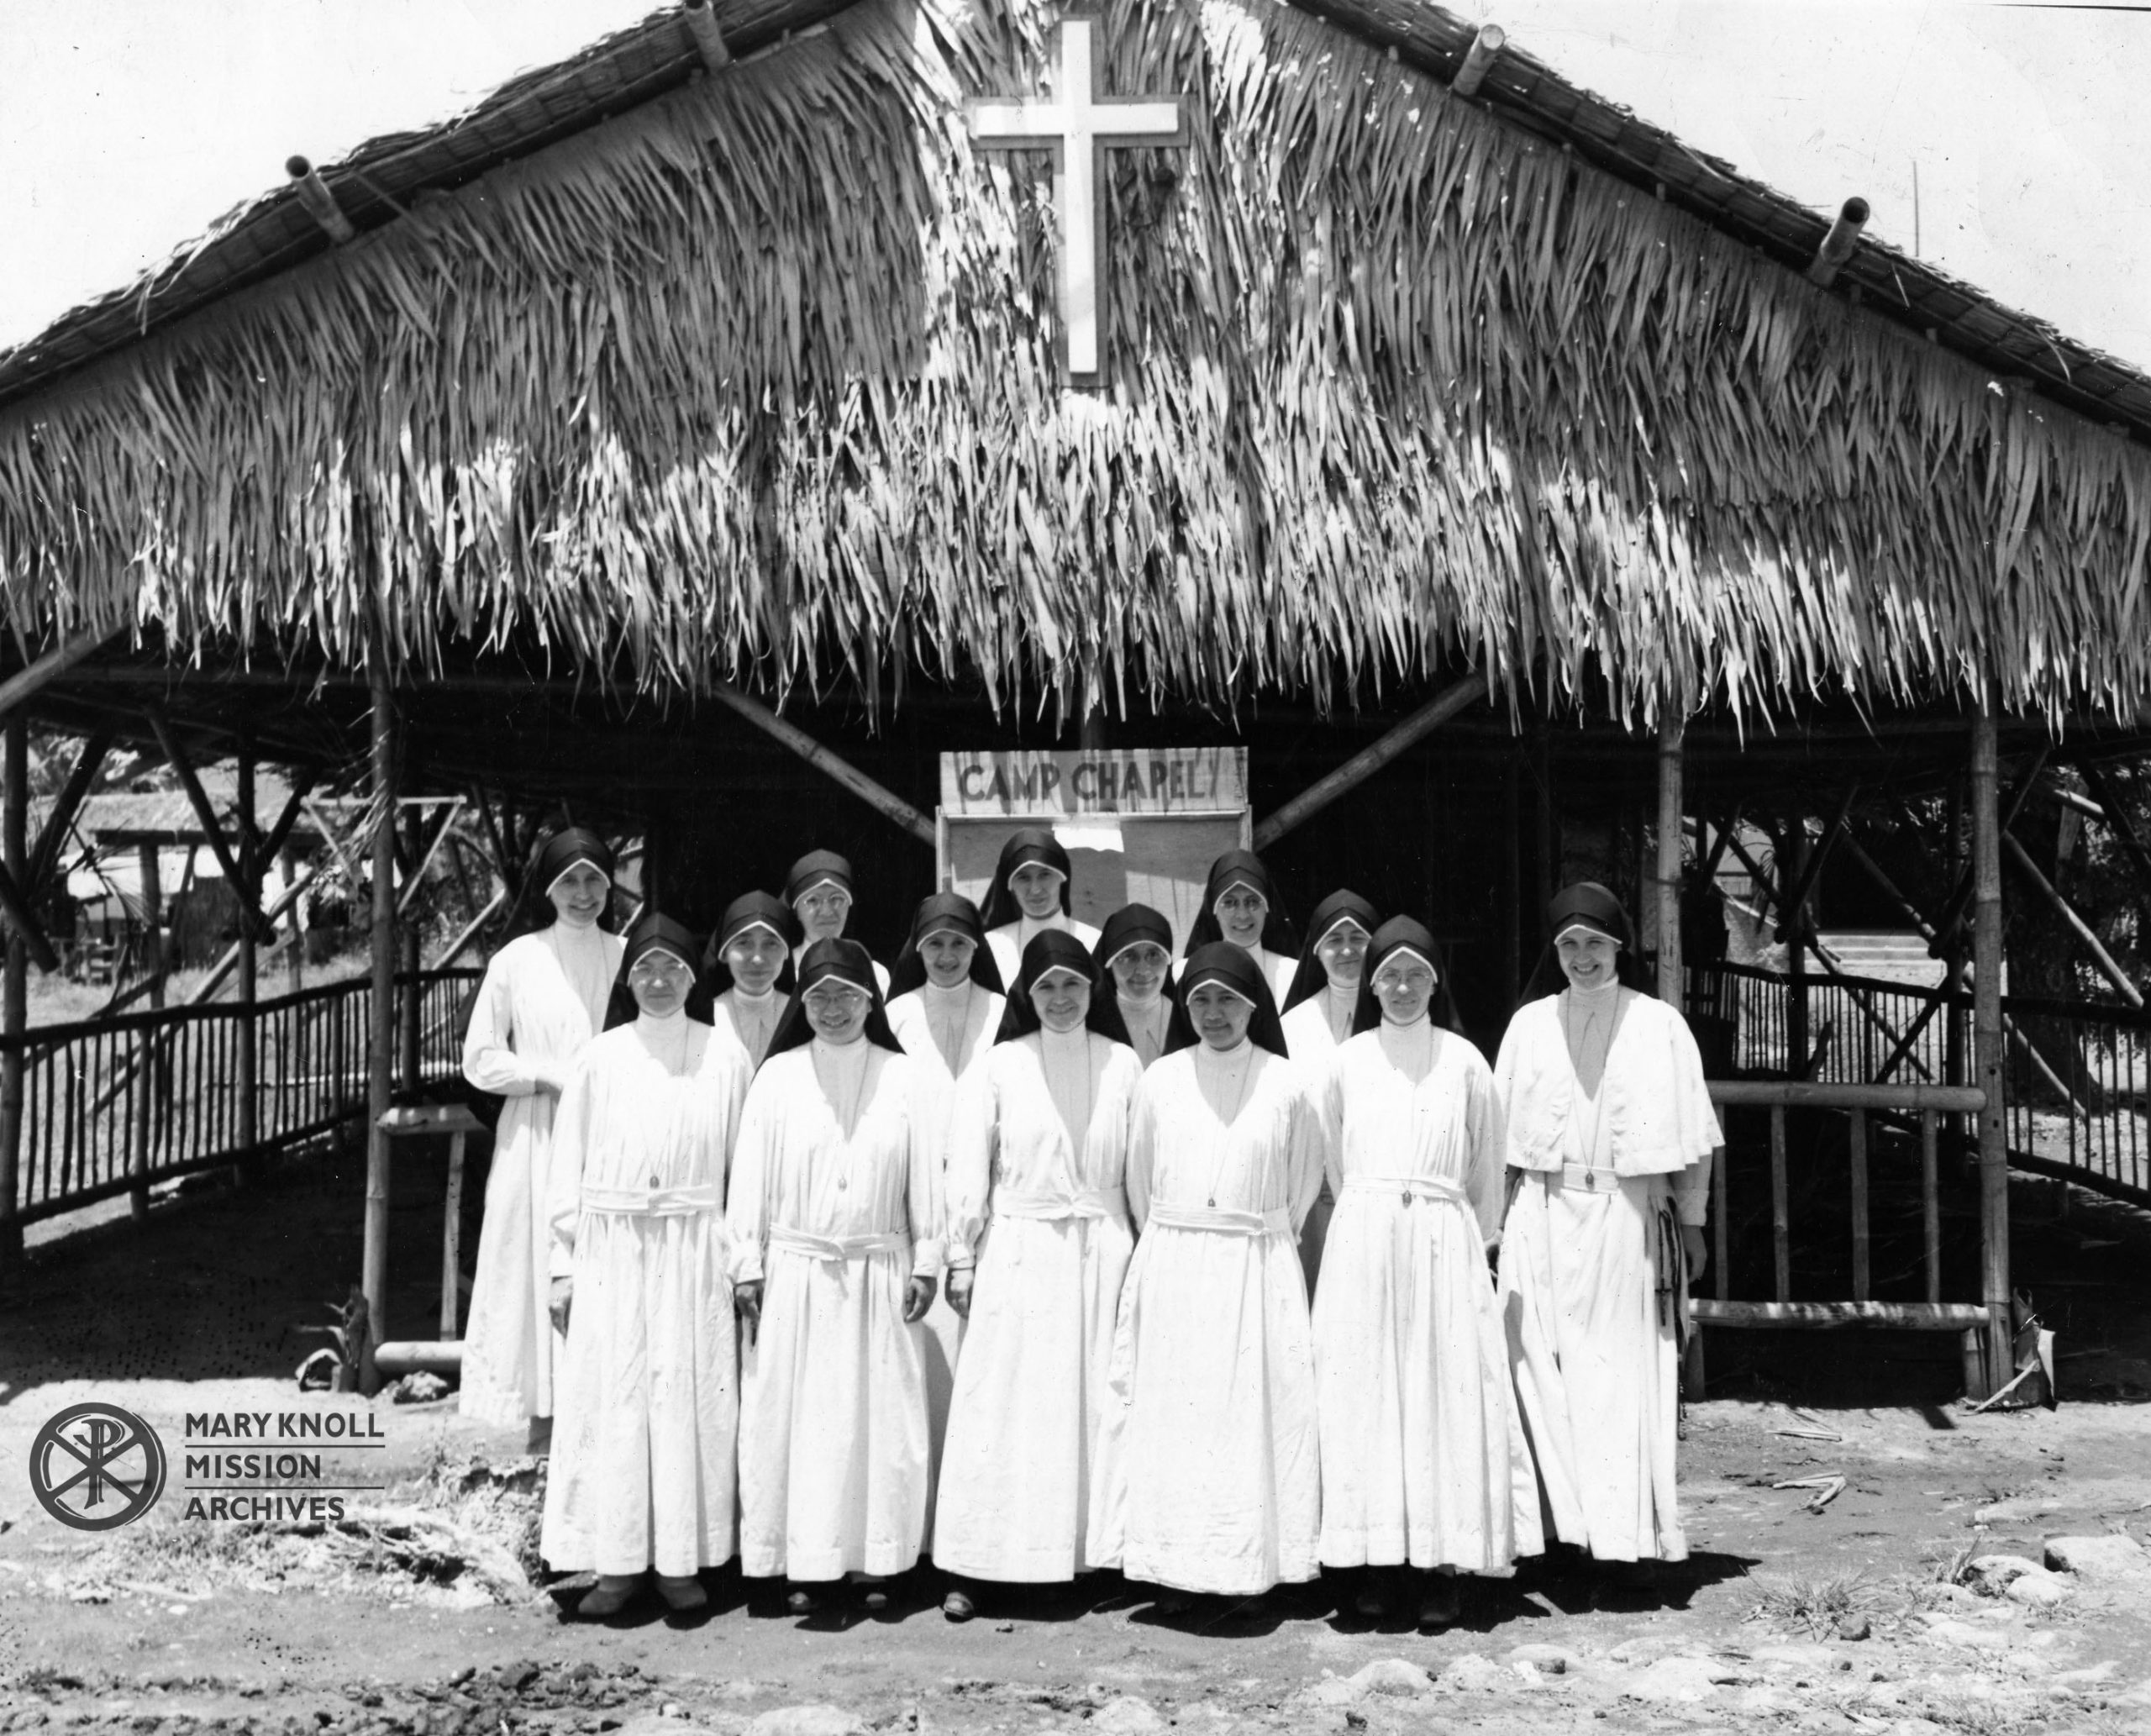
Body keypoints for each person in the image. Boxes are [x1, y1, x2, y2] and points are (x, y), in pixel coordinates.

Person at [1312, 917, 1540, 1629]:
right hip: (1366, 1242)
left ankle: (1443, 1568)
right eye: (1389, 976)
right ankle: (1378, 1567)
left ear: (1436, 982)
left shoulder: (1466, 1061)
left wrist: (1463, 1234)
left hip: (1444, 1240)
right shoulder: (1346, 1061)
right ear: (1370, 984)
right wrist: (1376, 1213)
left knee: (1440, 1399)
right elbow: (1330, 1161)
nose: (1402, 988)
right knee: (1371, 1398)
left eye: (1416, 975)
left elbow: (1484, 1169)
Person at [1495, 883, 1719, 1576]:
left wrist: (1691, 1222)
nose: (1582, 958)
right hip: (1540, 1210)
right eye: (1569, 944)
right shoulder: (1530, 1024)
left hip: (1627, 1217)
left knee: (1620, 1378)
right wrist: (1497, 1226)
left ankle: (1625, 1545)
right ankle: (1560, 1539)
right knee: (1540, 1369)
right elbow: (1497, 1139)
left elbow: (1695, 1138)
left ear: (1620, 948)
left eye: (1595, 944)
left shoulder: (1659, 1025)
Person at [1091, 944, 1323, 1608]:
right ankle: (1174, 1570)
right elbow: (1139, 1182)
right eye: (1200, 1000)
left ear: (1254, 1005)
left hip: (1254, 1264)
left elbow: (1302, 1184)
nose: (1214, 1014)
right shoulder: (1158, 1078)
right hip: (1177, 1264)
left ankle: (1246, 1570)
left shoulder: (1286, 1083)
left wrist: (1254, 1236)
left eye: (1228, 1000)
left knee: (1249, 1421)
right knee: (1177, 1420)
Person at [539, 914, 751, 1617]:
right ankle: (616, 1566)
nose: (659, 982)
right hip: (614, 1250)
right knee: (619, 1400)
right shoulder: (599, 1057)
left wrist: (741, 1258)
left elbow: (743, 1173)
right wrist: (562, 1264)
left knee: (687, 1397)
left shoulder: (725, 1055)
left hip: (694, 1247)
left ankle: (681, 1563)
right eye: (646, 970)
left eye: (674, 970)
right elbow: (565, 1167)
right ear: (628, 981)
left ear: (695, 979)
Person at [934, 932, 1143, 1619]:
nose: (1060, 1000)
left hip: (1102, 1249)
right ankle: (983, 1567)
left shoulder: (1124, 1063)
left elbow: (1139, 1170)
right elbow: (966, 1166)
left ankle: (1088, 1560)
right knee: (1008, 1407)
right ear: (1026, 993)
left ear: (1094, 992)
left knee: (1093, 1405)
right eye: (1047, 986)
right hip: (1019, 1253)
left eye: (1074, 986)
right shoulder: (996, 1066)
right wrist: (960, 1254)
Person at [728, 939, 940, 1612]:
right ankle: (805, 1565)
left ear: (871, 1002)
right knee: (800, 1420)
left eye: (847, 995)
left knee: (877, 1421)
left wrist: (929, 1258)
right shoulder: (778, 1077)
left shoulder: (904, 1078)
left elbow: (924, 1179)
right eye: (817, 995)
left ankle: (875, 1566)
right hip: (798, 1273)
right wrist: (745, 1266)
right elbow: (750, 1182)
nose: (832, 1009)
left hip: (880, 1269)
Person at [460, 827, 625, 1439]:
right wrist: (546, 1077)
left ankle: (600, 1427)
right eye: (570, 882)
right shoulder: (516, 960)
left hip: (611, 1130)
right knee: (533, 1265)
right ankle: (540, 1424)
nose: (583, 894)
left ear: (609, 888)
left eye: (595, 881)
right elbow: (479, 1059)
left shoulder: (630, 954)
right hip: (536, 1132)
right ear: (549, 890)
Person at [881, 892, 1007, 1530]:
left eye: (960, 943)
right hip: (921, 1209)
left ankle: (975, 1527)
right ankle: (925, 1531)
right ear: (918, 949)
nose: (949, 955)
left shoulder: (1005, 1012)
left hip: (992, 1214)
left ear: (978, 948)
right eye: (936, 944)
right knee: (926, 1376)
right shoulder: (897, 1015)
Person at [1278, 890, 1381, 1292]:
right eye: (1334, 941)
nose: (1347, 950)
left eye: (1358, 938)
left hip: (1375, 1192)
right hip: (1314, 1199)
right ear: (1316, 952)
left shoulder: (1396, 1017)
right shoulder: (1294, 1025)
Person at [979, 829, 1102, 986]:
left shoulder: (1094, 942)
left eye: (1045, 875)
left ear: (1062, 877)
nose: (1035, 889)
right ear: (1010, 885)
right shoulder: (992, 947)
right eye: (1023, 877)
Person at [1180, 850, 1296, 1004]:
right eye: (1229, 903)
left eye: (1253, 902)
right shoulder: (1183, 974)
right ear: (1214, 910)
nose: (1242, 915)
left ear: (1267, 908)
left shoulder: (1292, 975)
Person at [698, 891, 797, 1071]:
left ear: (786, 953)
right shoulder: (705, 1018)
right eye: (744, 943)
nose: (758, 959)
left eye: (771, 944)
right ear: (724, 953)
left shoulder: (799, 1015)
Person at [783, 850, 891, 993]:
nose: (827, 911)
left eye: (837, 899)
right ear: (796, 910)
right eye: (813, 900)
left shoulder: (876, 974)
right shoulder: (778, 971)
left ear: (849, 904)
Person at [1093, 904, 1179, 1070]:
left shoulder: (1189, 1020)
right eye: (1128, 956)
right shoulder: (1092, 1023)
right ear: (1110, 964)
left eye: (1154, 955)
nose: (1143, 970)